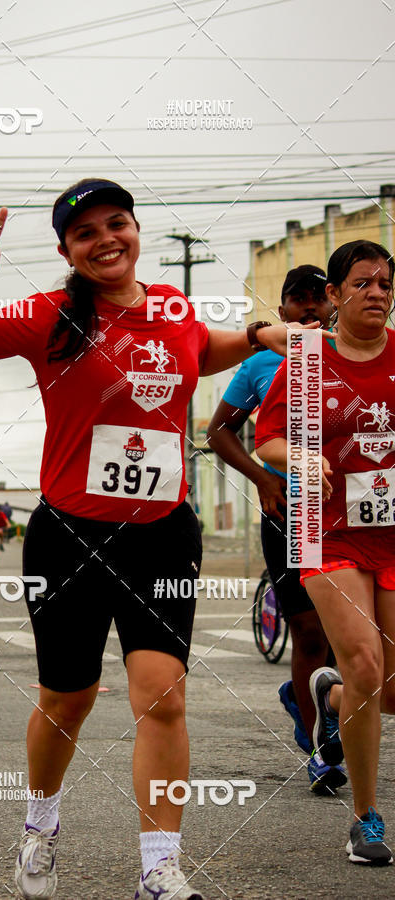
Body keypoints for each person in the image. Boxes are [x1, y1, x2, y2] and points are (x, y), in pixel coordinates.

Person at [0, 178, 328, 900]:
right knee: (67, 699)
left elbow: (200, 349)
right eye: (86, 233)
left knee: (163, 698)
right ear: (67, 252)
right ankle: (40, 827)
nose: (106, 239)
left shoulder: (171, 306)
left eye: (118, 223)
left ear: (136, 230)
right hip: (69, 538)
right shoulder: (52, 315)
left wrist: (259, 336)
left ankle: (158, 867)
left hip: (160, 537)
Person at [256, 239, 395, 865]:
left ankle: (330, 698)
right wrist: (301, 457)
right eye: (363, 283)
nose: (377, 293)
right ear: (335, 295)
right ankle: (366, 820)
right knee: (365, 663)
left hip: (391, 535)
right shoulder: (309, 362)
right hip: (324, 531)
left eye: (385, 284)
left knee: (387, 690)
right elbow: (267, 440)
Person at [207, 265, 345, 794]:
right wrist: (262, 478)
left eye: (317, 298)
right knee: (310, 632)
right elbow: (219, 431)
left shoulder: (355, 353)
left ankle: (311, 701)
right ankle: (320, 752)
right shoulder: (262, 362)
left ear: (332, 302)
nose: (309, 308)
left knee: (346, 636)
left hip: (348, 514)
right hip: (291, 512)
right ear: (282, 308)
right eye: (297, 299)